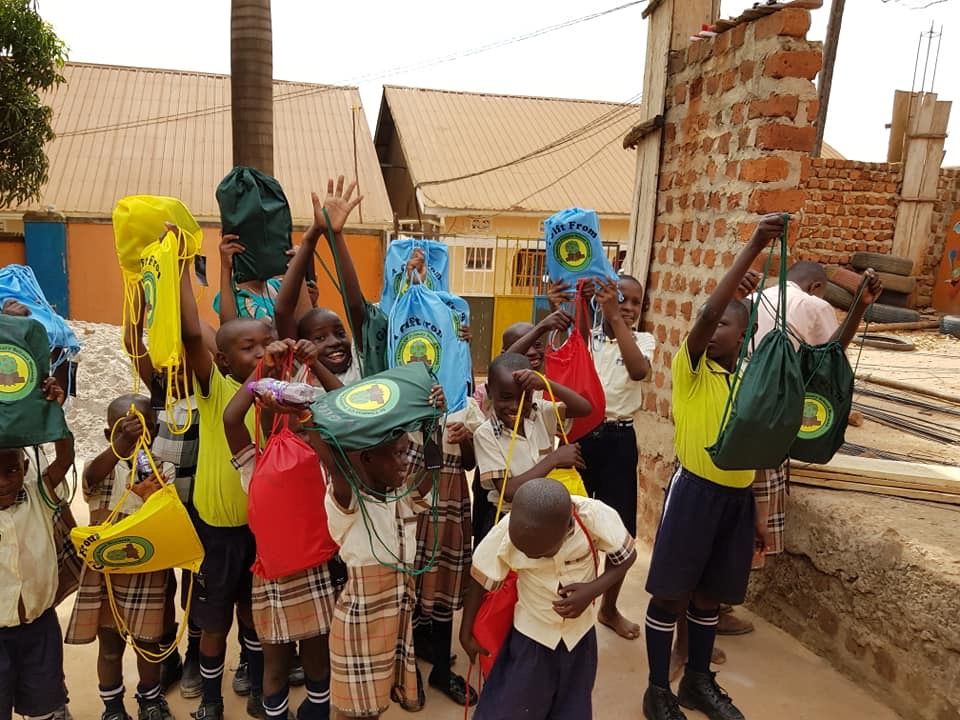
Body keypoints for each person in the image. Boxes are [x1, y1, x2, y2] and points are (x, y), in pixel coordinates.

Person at [642, 213, 787, 720]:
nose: (715, 326)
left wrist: (760, 513)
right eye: (716, 321)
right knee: (671, 596)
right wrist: (752, 247)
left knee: (710, 598)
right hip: (696, 492)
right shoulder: (694, 370)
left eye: (729, 322)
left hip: (736, 498)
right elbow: (704, 315)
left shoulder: (747, 379)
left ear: (744, 335)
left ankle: (698, 682)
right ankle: (658, 688)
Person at [179, 231, 274, 720]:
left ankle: (257, 689)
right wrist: (182, 270)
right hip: (216, 533)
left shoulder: (276, 393)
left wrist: (228, 271)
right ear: (222, 361)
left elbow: (238, 326)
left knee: (254, 618)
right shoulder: (214, 387)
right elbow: (200, 333)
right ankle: (212, 701)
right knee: (213, 620)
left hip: (261, 531)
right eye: (248, 349)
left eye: (266, 345)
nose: (260, 354)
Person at [224, 338, 345, 720]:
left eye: (303, 407)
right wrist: (263, 374)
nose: (295, 414)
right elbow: (230, 418)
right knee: (274, 667)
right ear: (269, 415)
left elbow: (349, 406)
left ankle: (315, 713)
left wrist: (314, 365)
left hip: (314, 572)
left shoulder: (323, 457)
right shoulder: (254, 463)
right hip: (273, 579)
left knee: (317, 664)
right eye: (287, 407)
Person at [316, 384, 446, 719]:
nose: (406, 461)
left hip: (397, 614)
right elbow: (338, 465)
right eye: (399, 454)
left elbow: (432, 470)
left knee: (375, 706)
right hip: (362, 622)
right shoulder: (347, 501)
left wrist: (436, 422)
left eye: (407, 452)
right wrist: (313, 420)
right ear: (367, 458)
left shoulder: (400, 494)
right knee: (353, 709)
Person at [459, 478, 637, 720]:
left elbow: (627, 556)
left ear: (567, 527)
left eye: (539, 554)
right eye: (524, 552)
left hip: (579, 637)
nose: (529, 556)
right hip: (531, 638)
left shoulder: (594, 516)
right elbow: (480, 576)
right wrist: (465, 631)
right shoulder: (512, 528)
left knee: (571, 709)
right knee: (510, 708)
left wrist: (592, 591)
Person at [65, 395, 177, 720]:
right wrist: (120, 448)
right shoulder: (101, 468)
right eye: (123, 430)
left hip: (148, 569)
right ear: (108, 435)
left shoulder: (163, 468)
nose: (134, 436)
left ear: (154, 431)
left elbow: (167, 514)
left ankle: (150, 700)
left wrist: (153, 489)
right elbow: (89, 481)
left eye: (143, 429)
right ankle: (112, 708)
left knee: (148, 643)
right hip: (105, 574)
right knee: (110, 648)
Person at [564, 275, 654, 641]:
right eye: (621, 300)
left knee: (619, 528)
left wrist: (616, 317)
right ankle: (570, 598)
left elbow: (638, 371)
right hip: (582, 438)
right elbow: (573, 351)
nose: (628, 308)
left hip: (619, 438)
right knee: (573, 522)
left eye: (635, 303)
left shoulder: (642, 341)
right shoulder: (591, 338)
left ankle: (609, 607)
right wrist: (582, 304)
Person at [0, 377, 74, 720]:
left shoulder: (38, 494)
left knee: (45, 703)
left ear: (26, 467)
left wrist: (54, 413)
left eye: (11, 470)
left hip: (38, 628)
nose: (3, 481)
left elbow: (63, 459)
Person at [408, 396, 485, 707]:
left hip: (451, 498)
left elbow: (469, 462)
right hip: (412, 496)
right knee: (410, 586)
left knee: (444, 585)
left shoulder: (464, 404)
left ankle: (440, 669)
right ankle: (408, 668)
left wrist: (465, 438)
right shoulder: (404, 399)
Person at [472, 353, 592, 544]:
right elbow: (508, 491)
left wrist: (546, 384)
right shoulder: (485, 435)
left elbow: (584, 408)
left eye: (524, 398)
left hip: (547, 516)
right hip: (509, 520)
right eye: (506, 398)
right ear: (489, 391)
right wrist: (554, 459)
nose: (515, 406)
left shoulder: (542, 413)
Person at [274, 178, 364, 391]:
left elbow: (355, 306)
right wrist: (311, 238)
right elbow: (282, 311)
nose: (333, 342)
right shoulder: (301, 370)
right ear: (301, 344)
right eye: (319, 338)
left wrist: (336, 235)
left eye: (340, 333)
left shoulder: (361, 365)